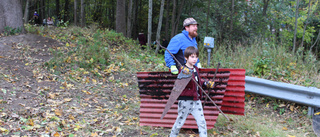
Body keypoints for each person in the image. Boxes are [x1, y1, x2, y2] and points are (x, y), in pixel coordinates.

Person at [170, 46, 214, 137]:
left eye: (196, 57)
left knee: (202, 123)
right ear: (186, 58)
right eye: (192, 57)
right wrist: (184, 75)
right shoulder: (183, 70)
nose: (195, 59)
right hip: (185, 101)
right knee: (179, 123)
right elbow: (180, 84)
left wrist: (206, 84)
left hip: (196, 100)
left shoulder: (195, 69)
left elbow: (198, 82)